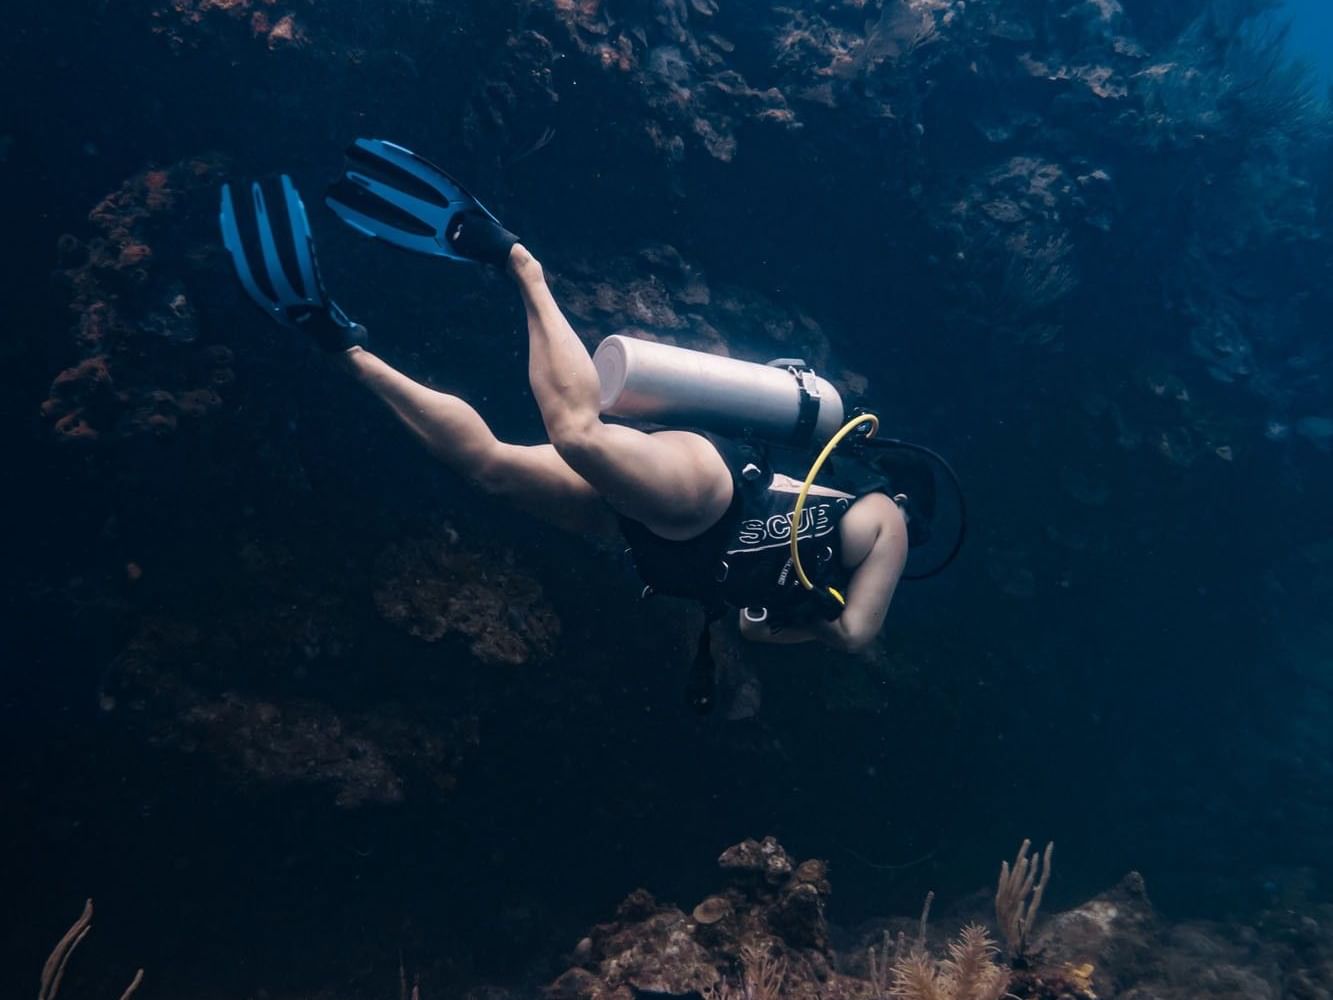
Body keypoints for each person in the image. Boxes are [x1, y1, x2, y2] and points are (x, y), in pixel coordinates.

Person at [219, 144, 910, 676]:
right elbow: (856, 636)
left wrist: (789, 613)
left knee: (487, 466)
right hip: (712, 495)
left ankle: (337, 341)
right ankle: (519, 263)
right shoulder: (884, 519)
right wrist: (817, 618)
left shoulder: (825, 566)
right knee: (577, 434)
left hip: (649, 539)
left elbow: (755, 627)